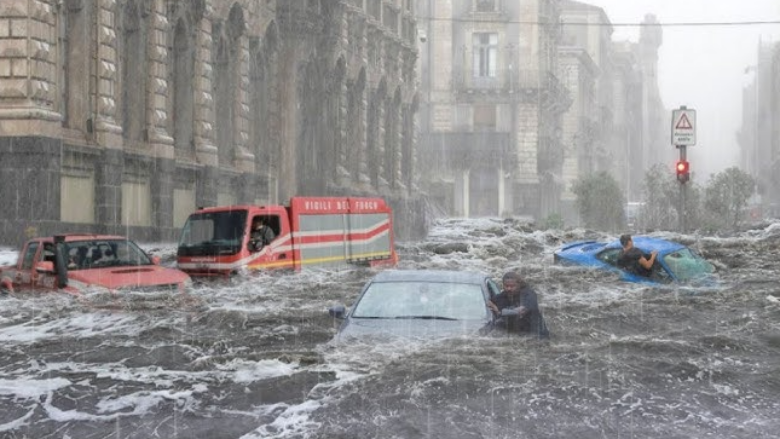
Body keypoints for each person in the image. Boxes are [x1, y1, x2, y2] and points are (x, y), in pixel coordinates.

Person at [489, 271, 550, 339]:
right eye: (506, 286)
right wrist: (491, 305)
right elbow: (489, 302)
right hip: (518, 334)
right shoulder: (503, 295)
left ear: (519, 285)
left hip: (537, 335)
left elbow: (521, 311)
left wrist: (499, 312)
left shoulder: (529, 294)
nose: (509, 288)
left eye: (512, 286)